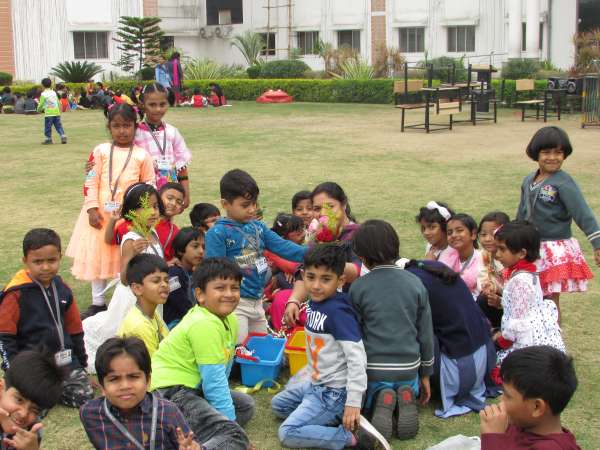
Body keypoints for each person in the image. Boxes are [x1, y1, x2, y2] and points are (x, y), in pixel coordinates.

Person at [271, 244, 388, 450]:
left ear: (340, 280)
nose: (316, 285)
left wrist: (353, 402)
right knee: (279, 405)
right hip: (316, 385)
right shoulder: (317, 301)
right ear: (303, 276)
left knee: (287, 432)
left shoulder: (338, 312)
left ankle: (351, 438)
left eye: (325, 279)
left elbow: (357, 358)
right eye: (310, 277)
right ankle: (329, 418)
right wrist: (294, 302)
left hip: (334, 393)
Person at [151, 258, 253, 450]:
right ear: (200, 294)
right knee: (234, 436)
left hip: (194, 388)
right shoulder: (203, 324)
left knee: (246, 405)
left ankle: (179, 434)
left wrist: (224, 415)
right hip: (170, 392)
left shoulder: (229, 318)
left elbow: (223, 366)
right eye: (220, 288)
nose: (229, 294)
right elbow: (214, 383)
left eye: (235, 288)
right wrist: (231, 426)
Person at [66, 104, 155, 317]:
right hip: (100, 214)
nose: (122, 131)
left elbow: (149, 185)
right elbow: (91, 180)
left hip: (128, 216)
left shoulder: (142, 155)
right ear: (109, 127)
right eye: (116, 126)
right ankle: (98, 301)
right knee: (98, 254)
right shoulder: (100, 151)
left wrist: (141, 213)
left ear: (136, 126)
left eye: (127, 125)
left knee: (122, 254)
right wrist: (91, 209)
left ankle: (121, 299)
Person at [350, 221, 434, 440]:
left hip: (374, 367)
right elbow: (425, 333)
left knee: (377, 389)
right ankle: (406, 393)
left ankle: (381, 396)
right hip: (409, 366)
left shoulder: (359, 287)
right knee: (406, 381)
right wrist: (426, 374)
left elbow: (354, 335)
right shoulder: (415, 283)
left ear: (362, 255)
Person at [205, 169, 306, 343]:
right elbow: (214, 272)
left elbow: (284, 248)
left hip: (257, 300)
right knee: (239, 350)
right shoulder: (218, 233)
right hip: (234, 303)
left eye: (254, 203)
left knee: (259, 346)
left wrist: (317, 253)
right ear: (225, 204)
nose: (252, 209)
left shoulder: (258, 227)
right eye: (245, 205)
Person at [0, 228, 93, 408]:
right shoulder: (15, 293)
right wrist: (14, 371)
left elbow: (75, 329)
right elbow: (5, 336)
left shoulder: (62, 288)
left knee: (84, 395)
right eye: (38, 261)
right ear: (25, 261)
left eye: (51, 260)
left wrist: (81, 363)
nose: (45, 267)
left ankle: (45, 393)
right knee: (23, 401)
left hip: (65, 360)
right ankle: (35, 392)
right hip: (33, 366)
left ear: (59, 257)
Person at [516, 126, 600, 318]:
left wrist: (597, 243)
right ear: (535, 154)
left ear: (565, 154)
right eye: (546, 152)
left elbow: (583, 213)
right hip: (531, 246)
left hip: (553, 249)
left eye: (558, 152)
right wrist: (513, 236)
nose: (552, 157)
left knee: (549, 301)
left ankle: (553, 343)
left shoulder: (563, 182)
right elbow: (522, 212)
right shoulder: (529, 180)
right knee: (532, 295)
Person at [82, 183, 165, 371]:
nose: (153, 211)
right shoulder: (131, 239)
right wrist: (134, 254)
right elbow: (126, 277)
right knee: (123, 333)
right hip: (132, 298)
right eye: (146, 207)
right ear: (133, 212)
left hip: (151, 294)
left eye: (155, 206)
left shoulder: (153, 234)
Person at [404, 259, 499, 419]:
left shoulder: (411, 281)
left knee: (413, 329)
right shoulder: (431, 267)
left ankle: (406, 385)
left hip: (458, 373)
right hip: (484, 359)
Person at [80, 336, 201, 450]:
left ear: (147, 380)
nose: (125, 386)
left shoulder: (168, 412)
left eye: (133, 376)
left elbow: (190, 444)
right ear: (102, 387)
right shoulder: (90, 414)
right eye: (114, 379)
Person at [480, 346, 581, 449]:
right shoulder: (522, 425)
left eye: (508, 396)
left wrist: (493, 438)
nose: (501, 401)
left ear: (537, 407)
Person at [494, 221, 565, 365]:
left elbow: (518, 322)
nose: (497, 254)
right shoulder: (527, 274)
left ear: (522, 253)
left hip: (524, 342)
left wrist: (498, 344)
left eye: (502, 249)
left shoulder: (521, 281)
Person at [137, 83, 192, 207]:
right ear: (142, 105)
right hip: (144, 195)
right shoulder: (135, 133)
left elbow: (182, 167)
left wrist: (186, 195)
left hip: (170, 195)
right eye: (152, 105)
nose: (158, 109)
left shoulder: (172, 131)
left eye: (162, 104)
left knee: (167, 225)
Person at [0, 350, 65, 450]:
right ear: (1, 388)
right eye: (19, 400)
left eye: (34, 410)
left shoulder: (32, 432)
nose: (24, 414)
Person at [117, 254, 170, 356]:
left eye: (166, 280)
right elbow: (153, 367)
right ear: (137, 288)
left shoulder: (153, 313)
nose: (164, 285)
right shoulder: (139, 325)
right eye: (156, 281)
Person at [164, 227, 205, 329]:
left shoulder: (194, 273)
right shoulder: (174, 273)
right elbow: (182, 305)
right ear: (180, 250)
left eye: (203, 247)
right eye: (195, 246)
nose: (201, 251)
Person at [477, 212, 511, 329]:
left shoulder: (510, 257)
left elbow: (515, 292)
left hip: (516, 304)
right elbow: (482, 275)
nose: (487, 239)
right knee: (483, 299)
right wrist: (488, 286)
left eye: (493, 234)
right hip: (500, 299)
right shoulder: (485, 254)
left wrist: (500, 301)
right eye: (483, 234)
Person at [439, 213, 484, 298]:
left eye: (459, 230)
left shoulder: (483, 259)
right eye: (449, 232)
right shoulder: (446, 258)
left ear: (473, 234)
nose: (454, 235)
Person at [156, 182, 185, 262]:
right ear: (158, 198)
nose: (173, 203)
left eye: (178, 202)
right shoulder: (144, 222)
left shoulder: (176, 231)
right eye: (169, 198)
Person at [37, 78, 66, 144]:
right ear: (51, 84)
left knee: (48, 127)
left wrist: (38, 110)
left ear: (43, 85)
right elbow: (58, 102)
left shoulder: (43, 94)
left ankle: (48, 139)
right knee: (58, 125)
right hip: (56, 112)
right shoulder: (54, 92)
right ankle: (63, 135)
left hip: (49, 113)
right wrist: (60, 110)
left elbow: (41, 104)